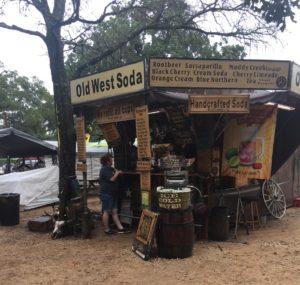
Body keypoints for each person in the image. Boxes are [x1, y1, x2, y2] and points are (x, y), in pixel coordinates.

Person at [99, 153, 128, 234]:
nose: (112, 160)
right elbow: (112, 179)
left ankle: (120, 227)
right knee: (107, 211)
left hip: (113, 193)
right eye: (111, 159)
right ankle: (107, 229)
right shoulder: (104, 169)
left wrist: (118, 172)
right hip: (107, 193)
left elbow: (116, 173)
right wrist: (117, 173)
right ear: (107, 161)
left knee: (114, 211)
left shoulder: (110, 169)